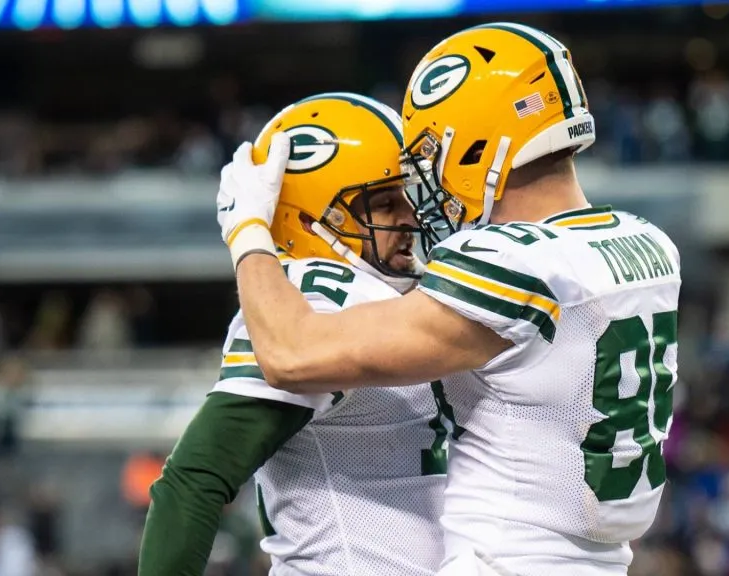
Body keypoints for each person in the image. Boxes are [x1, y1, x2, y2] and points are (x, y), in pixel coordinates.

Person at [218, 23, 683, 576]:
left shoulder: (512, 261)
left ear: (478, 141)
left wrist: (248, 230)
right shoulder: (649, 243)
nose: (429, 176)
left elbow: (290, 356)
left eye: (433, 150)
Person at [139, 93, 447, 576]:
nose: (410, 218)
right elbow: (194, 479)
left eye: (409, 197)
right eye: (385, 203)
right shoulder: (314, 297)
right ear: (310, 219)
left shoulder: (409, 301)